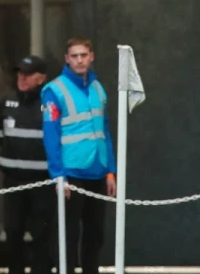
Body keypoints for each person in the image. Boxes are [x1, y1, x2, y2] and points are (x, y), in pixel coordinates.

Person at [42, 38, 116, 274]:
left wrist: (110, 170)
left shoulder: (98, 88)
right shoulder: (54, 90)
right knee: (68, 234)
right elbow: (50, 135)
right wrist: (58, 175)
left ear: (91, 56)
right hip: (71, 171)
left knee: (95, 234)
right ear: (67, 59)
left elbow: (104, 131)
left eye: (83, 55)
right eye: (74, 56)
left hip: (98, 169)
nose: (79, 60)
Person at [0, 55, 53, 274]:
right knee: (13, 232)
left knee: (42, 235)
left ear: (41, 78)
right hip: (13, 182)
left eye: (28, 74)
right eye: (20, 73)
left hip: (43, 182)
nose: (22, 78)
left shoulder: (50, 103)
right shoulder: (6, 102)